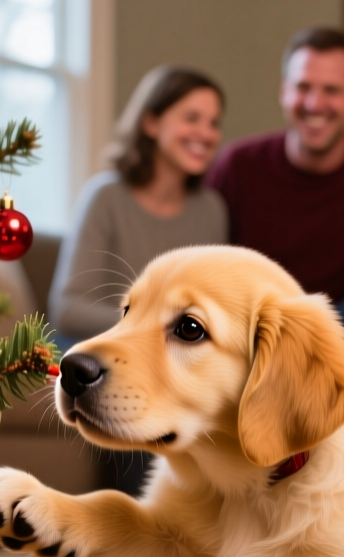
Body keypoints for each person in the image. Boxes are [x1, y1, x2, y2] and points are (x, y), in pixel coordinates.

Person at [205, 28, 344, 393]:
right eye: (303, 87)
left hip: (334, 333)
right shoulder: (236, 165)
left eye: (331, 90)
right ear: (284, 92)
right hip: (250, 328)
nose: (314, 103)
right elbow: (196, 255)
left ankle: (340, 433)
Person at [49, 66, 227, 351]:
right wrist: (154, 324)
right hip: (99, 353)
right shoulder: (105, 196)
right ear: (151, 123)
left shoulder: (211, 210)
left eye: (214, 123)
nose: (206, 134)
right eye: (192, 118)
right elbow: (68, 311)